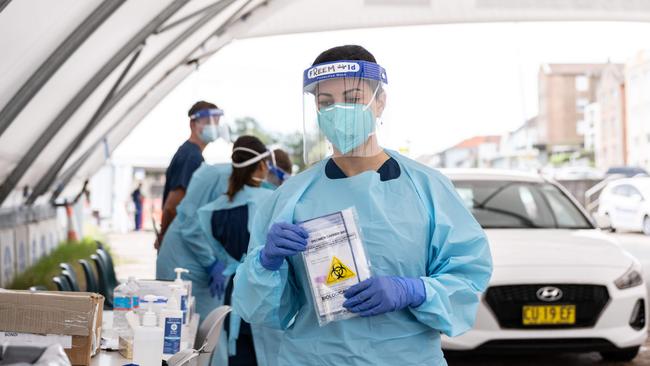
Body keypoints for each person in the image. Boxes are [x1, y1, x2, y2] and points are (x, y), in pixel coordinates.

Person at [232, 45, 493, 365]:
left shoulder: (426, 188)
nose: (337, 112)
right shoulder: (292, 197)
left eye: (353, 99)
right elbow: (263, 309)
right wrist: (266, 264)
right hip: (313, 357)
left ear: (380, 102)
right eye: (325, 103)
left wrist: (414, 290)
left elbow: (467, 276)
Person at [195, 136, 274, 366]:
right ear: (261, 165)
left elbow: (217, 247)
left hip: (233, 290)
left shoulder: (217, 208)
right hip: (263, 290)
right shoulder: (271, 200)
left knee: (237, 352)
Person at [155, 100, 227, 250]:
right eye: (208, 122)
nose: (214, 127)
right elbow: (172, 206)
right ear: (193, 124)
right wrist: (164, 237)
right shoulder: (190, 157)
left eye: (216, 122)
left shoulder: (192, 154)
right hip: (177, 243)